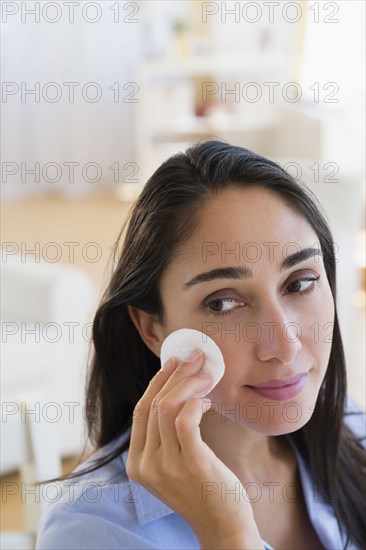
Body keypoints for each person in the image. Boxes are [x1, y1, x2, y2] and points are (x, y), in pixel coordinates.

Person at [36, 140, 365, 549]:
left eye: (299, 283)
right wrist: (229, 536)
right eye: (224, 303)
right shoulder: (91, 531)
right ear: (152, 329)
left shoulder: (353, 427)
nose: (284, 344)